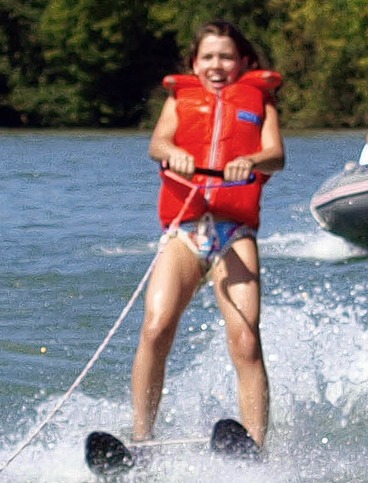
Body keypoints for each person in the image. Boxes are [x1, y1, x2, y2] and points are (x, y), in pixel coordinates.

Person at [131, 19, 285, 448]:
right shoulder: (179, 101)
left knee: (245, 336)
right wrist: (174, 152)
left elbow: (276, 156)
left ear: (244, 62)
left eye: (227, 57)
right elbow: (157, 145)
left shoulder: (262, 104)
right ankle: (141, 439)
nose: (217, 65)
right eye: (208, 57)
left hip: (234, 233)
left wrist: (251, 160)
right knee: (156, 327)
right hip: (185, 229)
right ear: (194, 63)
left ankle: (255, 443)